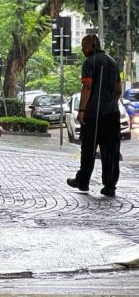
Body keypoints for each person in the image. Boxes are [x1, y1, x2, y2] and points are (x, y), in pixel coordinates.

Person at [67, 34, 121, 197]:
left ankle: (83, 181)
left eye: (84, 46)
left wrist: (82, 110)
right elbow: (118, 90)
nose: (83, 50)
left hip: (93, 115)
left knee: (88, 149)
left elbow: (87, 87)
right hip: (112, 114)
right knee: (110, 151)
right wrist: (110, 102)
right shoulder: (112, 62)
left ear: (92, 45)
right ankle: (110, 185)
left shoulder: (89, 63)